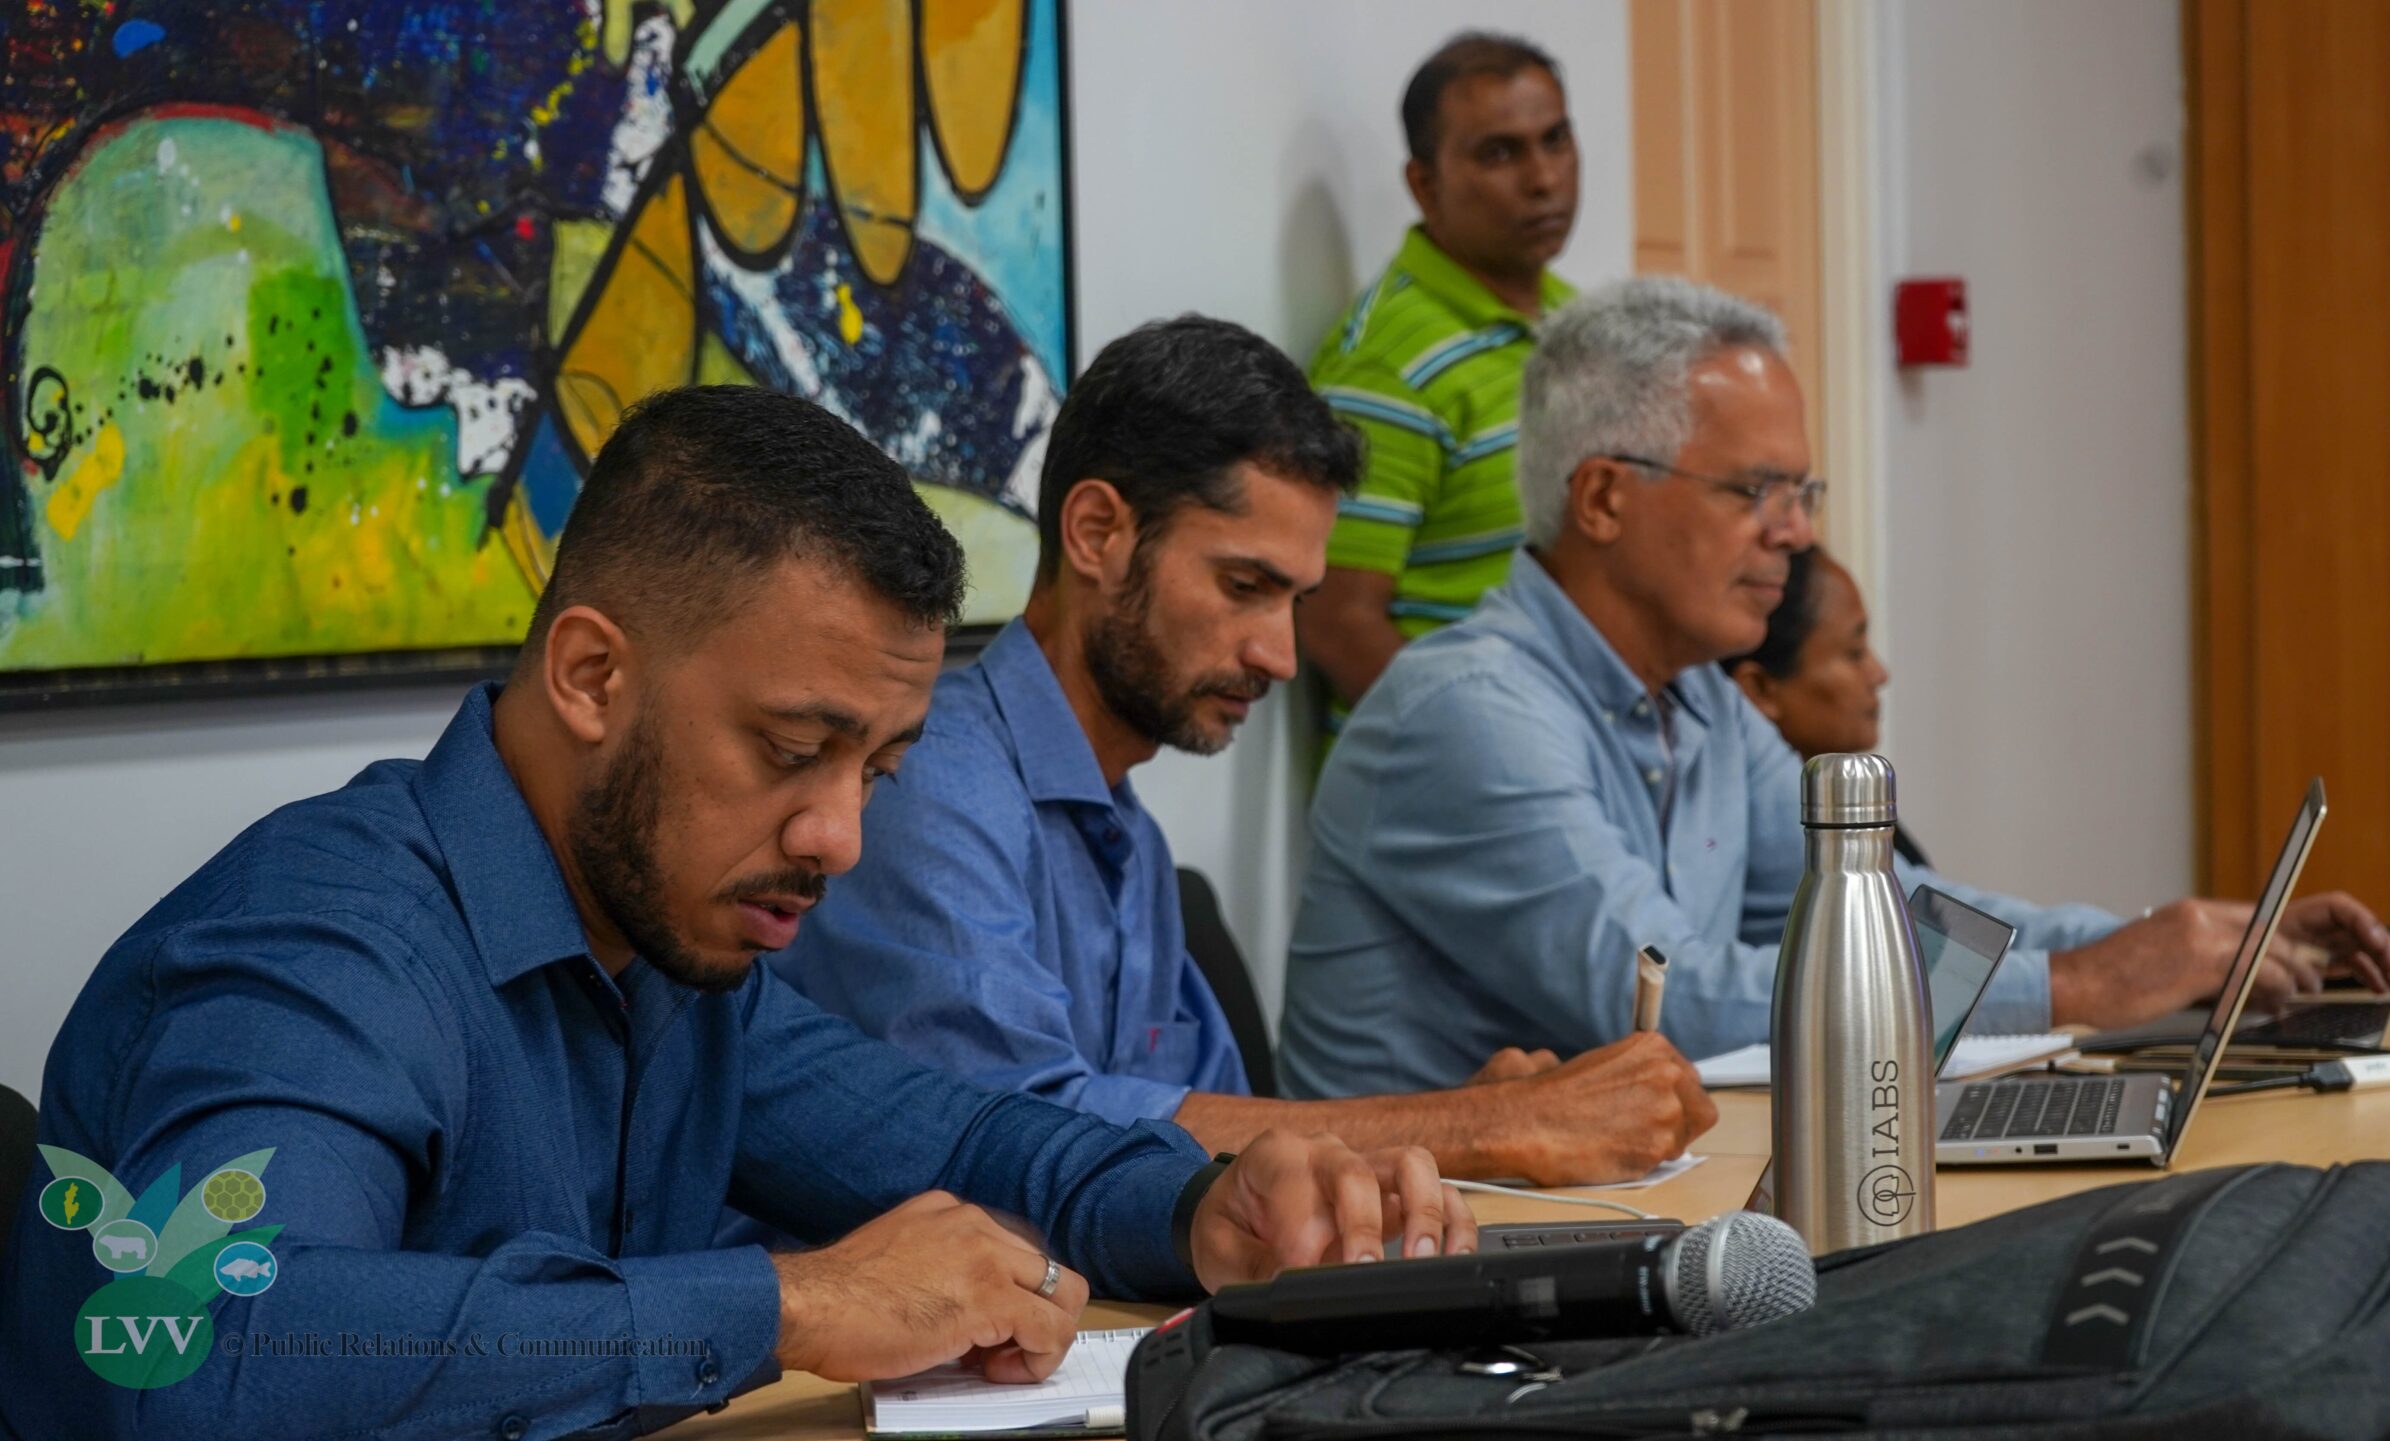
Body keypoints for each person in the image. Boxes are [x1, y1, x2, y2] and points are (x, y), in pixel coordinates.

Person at [0, 387, 1469, 1439]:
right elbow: (215, 1346)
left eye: (876, 769)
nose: (839, 836)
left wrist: (1207, 1209)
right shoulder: (323, 944)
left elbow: (969, 1140)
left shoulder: (673, 947)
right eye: (790, 750)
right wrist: (787, 1303)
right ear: (592, 676)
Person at [1278, 278, 2390, 1098]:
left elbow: (1882, 910)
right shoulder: (1468, 713)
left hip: (1622, 1215)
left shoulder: (1699, 701)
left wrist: (2181, 947)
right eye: (1756, 491)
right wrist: (2079, 982)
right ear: (1605, 498)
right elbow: (1675, 1006)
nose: (1797, 532)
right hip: (1432, 1271)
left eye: (1801, 492)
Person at [774, 319, 1715, 1190]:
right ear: (1098, 533)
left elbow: (1231, 1140)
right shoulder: (927, 779)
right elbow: (1014, 1132)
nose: (1281, 655)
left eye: (1295, 600)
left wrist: (1458, 1127)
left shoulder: (1128, 836)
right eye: (1244, 585)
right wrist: (1479, 1126)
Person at [1298, 31, 1580, 727]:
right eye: (1500, 153)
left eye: (1555, 140)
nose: (1544, 179)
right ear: (1425, 185)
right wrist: (1487, 747)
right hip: (1454, 772)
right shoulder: (1388, 367)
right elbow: (1335, 621)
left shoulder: (1574, 319)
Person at [1720, 545, 1930, 865]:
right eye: (1854, 652)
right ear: (1759, 689)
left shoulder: (1851, 812)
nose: (1879, 674)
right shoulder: (1738, 832)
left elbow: (1908, 887)